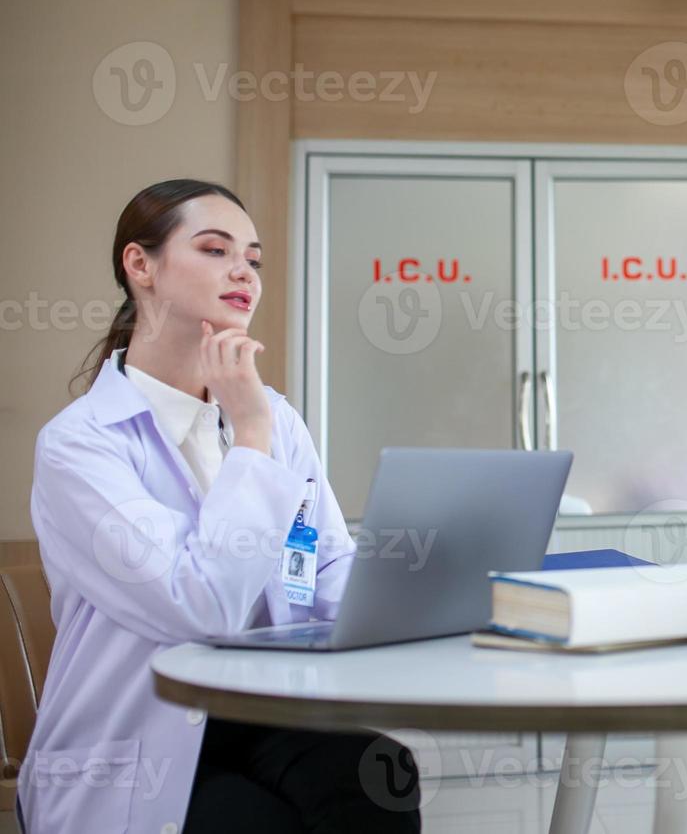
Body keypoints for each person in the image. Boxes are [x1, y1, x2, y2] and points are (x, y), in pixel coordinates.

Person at [21, 180, 421, 832]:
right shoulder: (79, 446)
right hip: (138, 741)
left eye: (254, 258)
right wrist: (252, 436)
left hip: (262, 713)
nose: (244, 271)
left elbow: (321, 565)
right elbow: (197, 605)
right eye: (215, 249)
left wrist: (414, 606)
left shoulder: (275, 421)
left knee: (379, 775)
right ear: (140, 265)